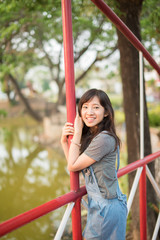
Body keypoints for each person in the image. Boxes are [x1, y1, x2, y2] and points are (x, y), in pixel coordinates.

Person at [61, 89, 127, 240]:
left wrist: (77, 133)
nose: (89, 112)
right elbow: (76, 167)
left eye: (96, 107)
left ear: (106, 112)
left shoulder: (103, 139)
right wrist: (64, 142)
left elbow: (72, 166)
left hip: (107, 208)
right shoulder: (93, 136)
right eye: (85, 107)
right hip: (101, 206)